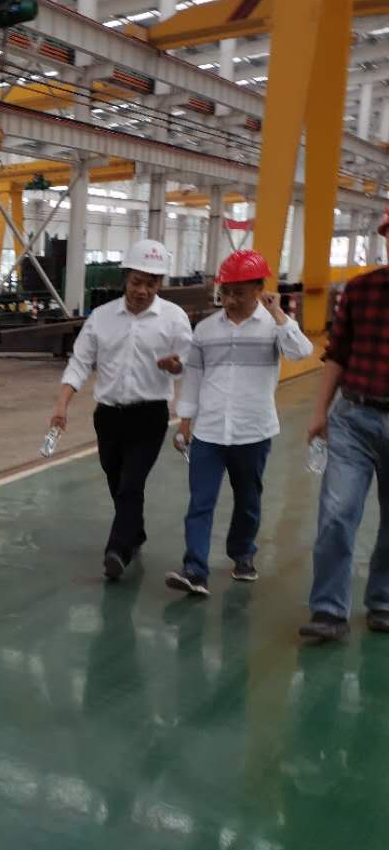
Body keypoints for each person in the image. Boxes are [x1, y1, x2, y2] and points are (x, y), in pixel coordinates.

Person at [166, 250, 313, 597]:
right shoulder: (205, 330)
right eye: (226, 292)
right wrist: (184, 423)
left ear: (259, 289)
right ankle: (195, 569)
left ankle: (243, 554)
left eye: (239, 293)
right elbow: (193, 378)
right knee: (200, 501)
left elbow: (302, 351)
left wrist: (279, 314)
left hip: (253, 431)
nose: (230, 300)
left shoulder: (273, 327)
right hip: (209, 431)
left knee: (248, 500)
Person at [49, 238, 193, 580]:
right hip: (109, 416)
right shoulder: (101, 318)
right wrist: (62, 404)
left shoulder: (174, 319)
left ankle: (117, 551)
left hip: (150, 416)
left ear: (160, 284)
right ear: (125, 278)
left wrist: (176, 366)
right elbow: (80, 362)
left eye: (151, 284)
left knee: (131, 484)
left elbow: (189, 364)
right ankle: (135, 532)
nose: (143, 290)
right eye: (137, 282)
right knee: (116, 481)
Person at [300, 203, 389, 643]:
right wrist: (320, 412)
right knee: (337, 513)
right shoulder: (360, 290)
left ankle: (384, 600)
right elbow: (337, 354)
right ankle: (329, 609)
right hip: (354, 417)